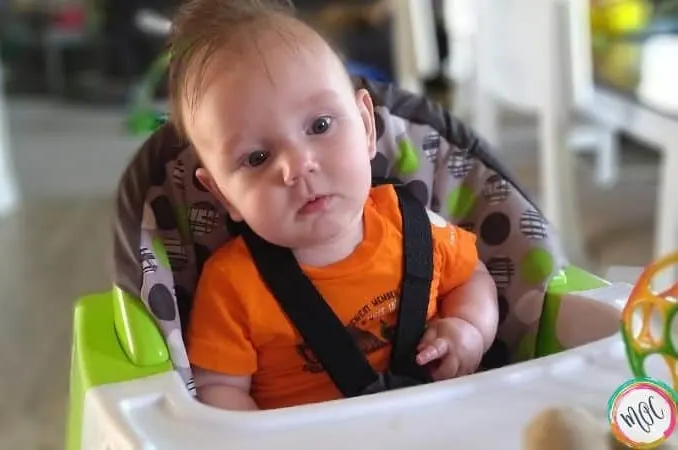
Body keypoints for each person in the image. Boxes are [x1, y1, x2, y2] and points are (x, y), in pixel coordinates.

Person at [166, 0, 499, 411]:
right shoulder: (231, 286)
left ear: (365, 126)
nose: (297, 166)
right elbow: (220, 389)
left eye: (319, 126)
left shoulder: (412, 227)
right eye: (256, 158)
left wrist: (468, 328)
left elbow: (472, 277)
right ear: (222, 195)